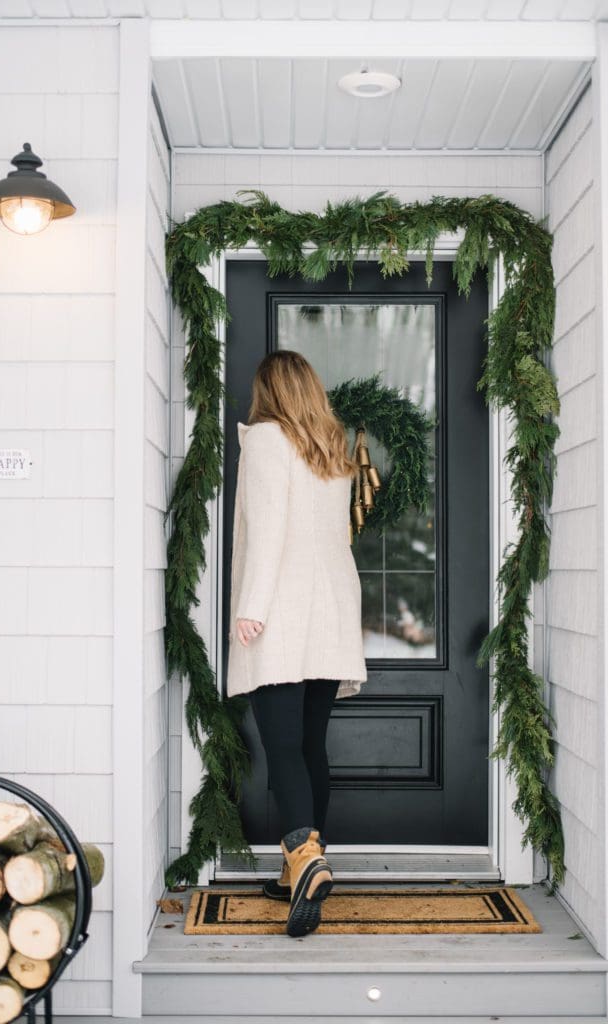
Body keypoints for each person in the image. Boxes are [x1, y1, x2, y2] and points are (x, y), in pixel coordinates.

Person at [226, 349, 367, 938]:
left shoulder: (264, 441)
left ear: (270, 393)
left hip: (281, 610)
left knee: (282, 746)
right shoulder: (332, 448)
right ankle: (298, 870)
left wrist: (251, 610)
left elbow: (267, 532)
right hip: (331, 609)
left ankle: (306, 859)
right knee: (311, 745)